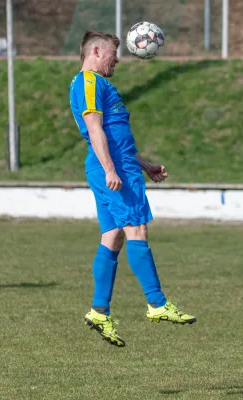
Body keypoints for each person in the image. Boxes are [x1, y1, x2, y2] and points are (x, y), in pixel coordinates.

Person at [69, 30, 196, 347]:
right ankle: (156, 303)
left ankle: (99, 311)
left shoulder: (99, 84)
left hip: (118, 164)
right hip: (113, 169)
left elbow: (114, 137)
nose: (118, 59)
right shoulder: (88, 82)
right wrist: (113, 169)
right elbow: (94, 128)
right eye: (114, 52)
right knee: (137, 229)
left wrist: (146, 164)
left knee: (113, 236)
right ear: (96, 51)